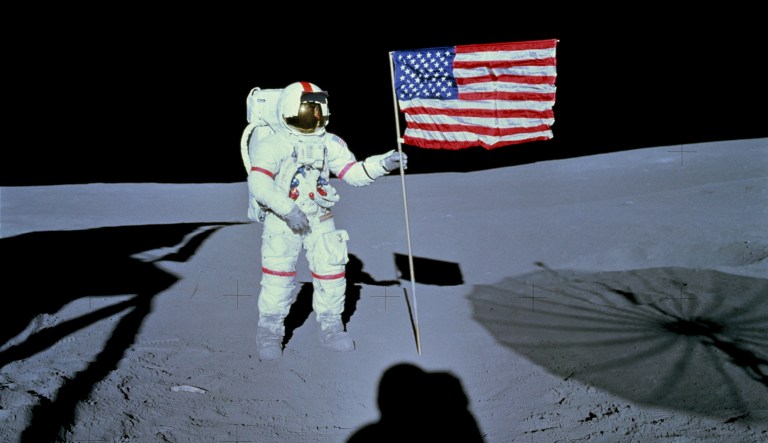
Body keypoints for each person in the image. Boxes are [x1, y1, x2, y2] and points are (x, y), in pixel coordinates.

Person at [247, 81, 407, 360]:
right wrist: (288, 210)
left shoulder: (329, 143)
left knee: (332, 273)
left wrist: (383, 163)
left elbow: (352, 172)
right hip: (282, 219)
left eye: (318, 109)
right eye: (308, 109)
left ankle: (332, 327)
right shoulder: (274, 144)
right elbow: (259, 184)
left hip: (319, 216)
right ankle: (269, 332)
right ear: (289, 109)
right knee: (278, 277)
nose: (314, 115)